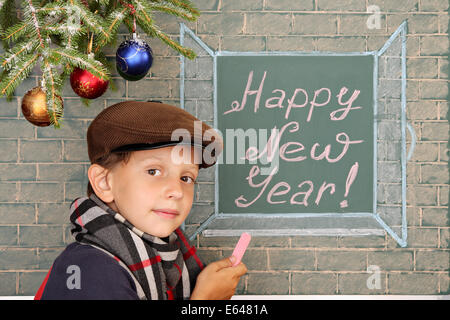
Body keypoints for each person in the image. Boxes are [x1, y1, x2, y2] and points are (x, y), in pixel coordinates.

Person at [34, 100, 247, 300]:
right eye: (153, 171)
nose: (177, 191)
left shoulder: (173, 262)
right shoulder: (90, 268)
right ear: (104, 183)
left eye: (186, 177)